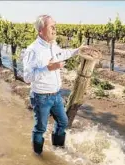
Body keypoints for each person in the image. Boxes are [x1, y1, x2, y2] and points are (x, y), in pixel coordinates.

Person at [22, 15, 88, 155]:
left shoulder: (52, 45)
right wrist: (48, 68)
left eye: (55, 26)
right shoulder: (32, 50)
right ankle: (38, 156)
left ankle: (58, 151)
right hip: (41, 97)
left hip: (56, 95)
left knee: (63, 122)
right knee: (40, 128)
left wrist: (78, 50)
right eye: (51, 26)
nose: (55, 29)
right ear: (41, 30)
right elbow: (27, 77)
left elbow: (62, 53)